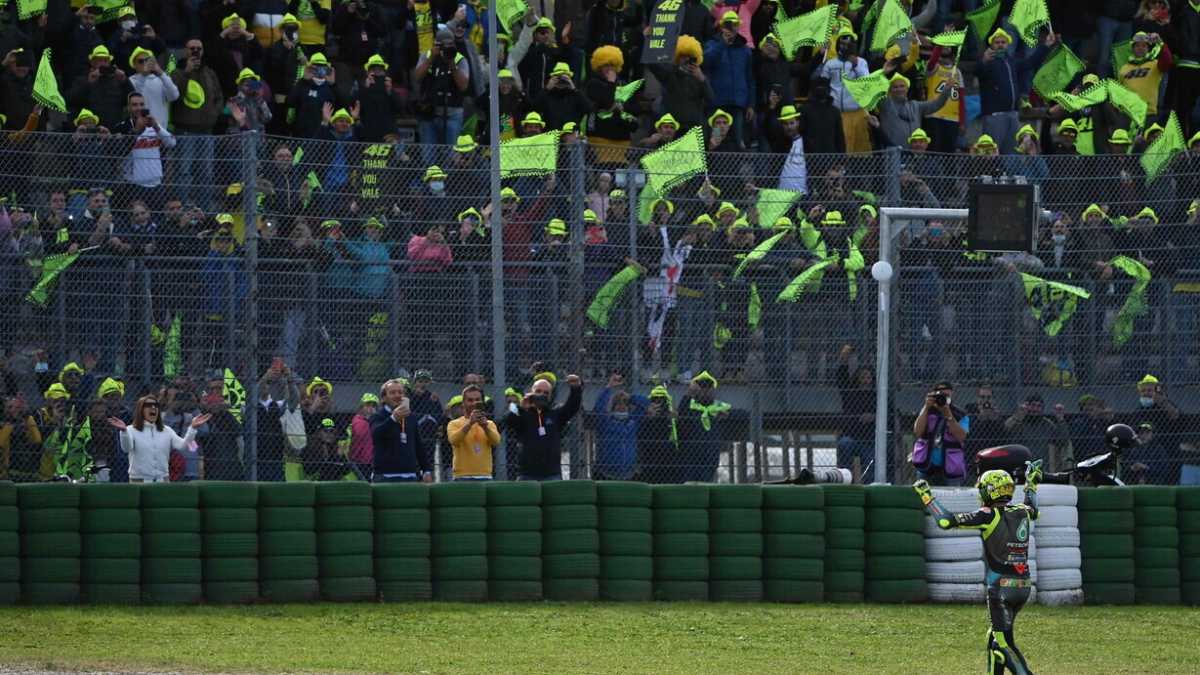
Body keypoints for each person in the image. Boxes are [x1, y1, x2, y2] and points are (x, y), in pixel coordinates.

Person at [914, 460, 1042, 675]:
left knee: (1002, 644)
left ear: (988, 491)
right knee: (994, 637)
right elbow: (1034, 506)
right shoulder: (1023, 511)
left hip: (1000, 588)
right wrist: (1031, 482)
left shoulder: (987, 515)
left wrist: (927, 497)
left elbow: (945, 522)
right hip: (1023, 585)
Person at [110, 395, 208, 483]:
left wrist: (192, 428)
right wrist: (123, 432)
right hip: (139, 481)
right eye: (148, 406)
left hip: (162, 481)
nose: (153, 408)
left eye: (155, 406)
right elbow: (126, 448)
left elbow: (182, 446)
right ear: (141, 410)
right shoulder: (130, 430)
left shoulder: (166, 430)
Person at [504, 373, 582, 481]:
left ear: (550, 396)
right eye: (538, 392)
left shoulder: (555, 414)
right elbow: (508, 420)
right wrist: (521, 407)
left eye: (546, 393)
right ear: (531, 392)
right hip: (527, 474)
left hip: (552, 474)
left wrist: (575, 388)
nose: (542, 395)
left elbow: (572, 407)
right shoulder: (523, 414)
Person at [370, 377, 432, 482]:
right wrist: (393, 418)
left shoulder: (411, 417)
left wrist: (426, 470)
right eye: (392, 393)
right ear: (384, 398)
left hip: (410, 475)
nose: (397, 395)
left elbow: (418, 444)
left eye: (400, 392)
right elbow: (376, 434)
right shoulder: (378, 416)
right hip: (385, 476)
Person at [677, 371, 733, 483]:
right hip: (690, 460)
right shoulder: (691, 408)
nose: (705, 391)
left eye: (708, 387)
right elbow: (682, 415)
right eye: (702, 387)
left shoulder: (718, 408)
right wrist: (689, 393)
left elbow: (741, 415)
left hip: (709, 459)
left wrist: (727, 415)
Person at [911, 380, 970, 486]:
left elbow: (962, 436)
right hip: (926, 463)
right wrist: (926, 407)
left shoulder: (960, 414)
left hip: (951, 466)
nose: (943, 399)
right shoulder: (928, 411)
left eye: (947, 395)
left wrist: (948, 415)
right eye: (941, 395)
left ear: (952, 394)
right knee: (922, 497)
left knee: (953, 497)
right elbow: (918, 432)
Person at [592, 372, 649, 481]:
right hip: (606, 474)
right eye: (618, 404)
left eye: (624, 404)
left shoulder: (632, 421)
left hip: (629, 475)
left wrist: (631, 397)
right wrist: (609, 387)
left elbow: (646, 404)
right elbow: (599, 408)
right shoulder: (605, 422)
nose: (622, 407)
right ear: (613, 407)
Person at [446, 384, 501, 480]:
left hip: (485, 476)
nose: (474, 403)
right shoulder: (454, 423)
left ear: (482, 401)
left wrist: (485, 427)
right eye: (470, 400)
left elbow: (496, 441)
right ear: (463, 403)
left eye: (477, 400)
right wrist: (470, 423)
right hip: (462, 476)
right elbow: (454, 440)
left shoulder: (489, 423)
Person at [1002, 393, 1070, 470]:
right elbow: (1006, 431)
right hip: (1020, 467)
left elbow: (1062, 441)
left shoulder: (1046, 424)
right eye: (1032, 405)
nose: (1035, 409)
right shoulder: (1018, 420)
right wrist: (1018, 417)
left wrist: (1060, 419)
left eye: (1038, 406)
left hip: (1040, 468)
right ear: (1026, 406)